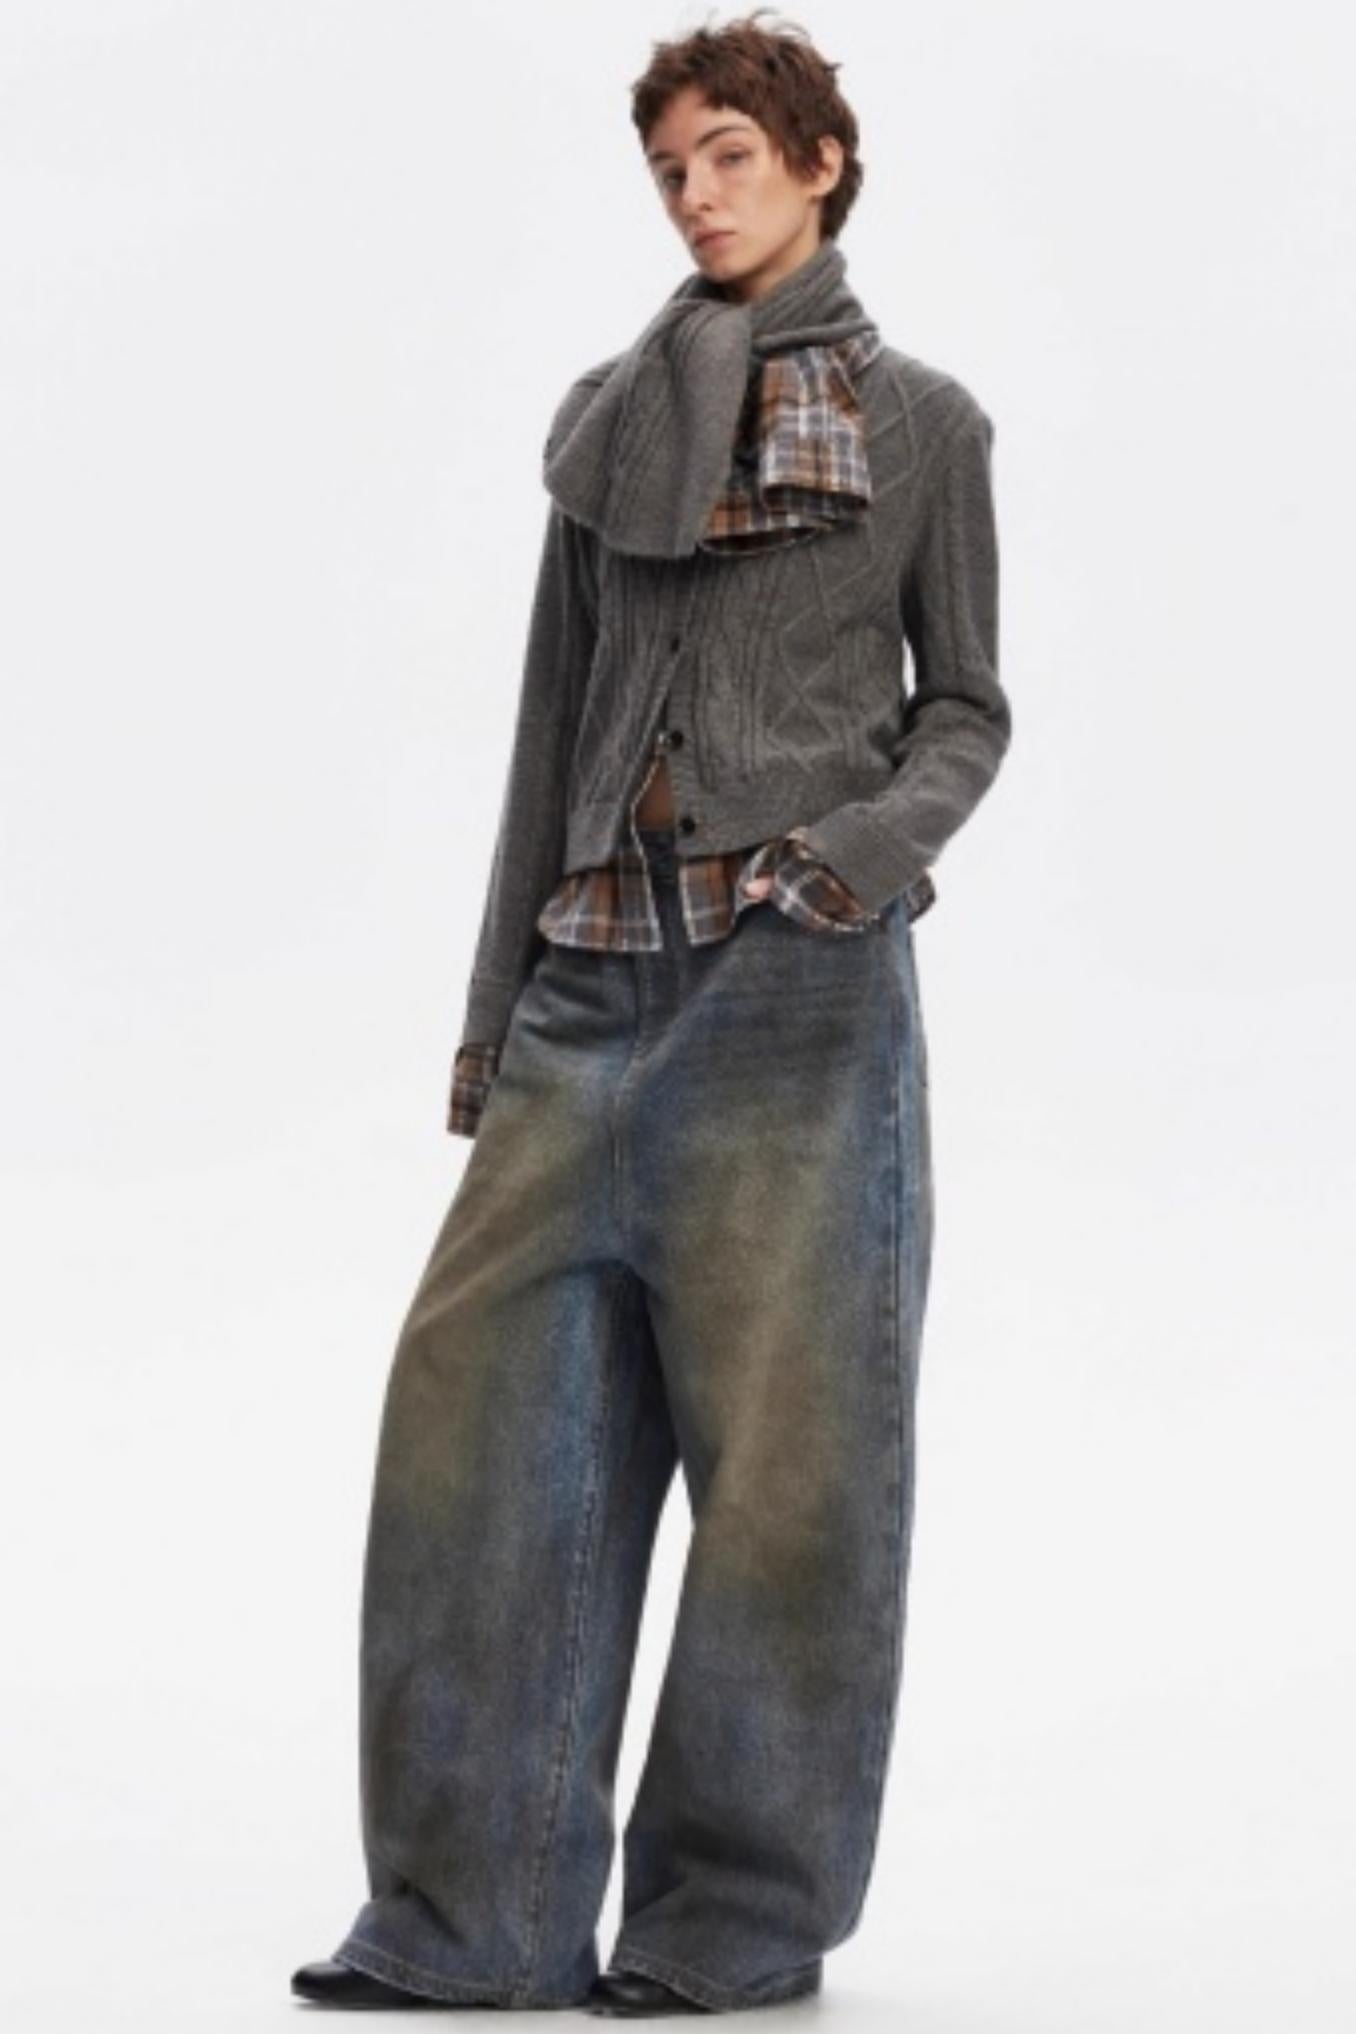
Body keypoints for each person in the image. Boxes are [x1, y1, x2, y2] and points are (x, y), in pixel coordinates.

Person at [292, 8, 1010, 2018]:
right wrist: (491, 1010)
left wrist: (849, 858)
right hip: (588, 984)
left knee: (792, 1476)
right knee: (472, 1438)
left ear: (821, 163)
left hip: (797, 996)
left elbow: (967, 710)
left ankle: (731, 1927)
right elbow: (548, 736)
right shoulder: (609, 425)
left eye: (730, 157)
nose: (696, 194)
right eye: (671, 168)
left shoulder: (926, 426)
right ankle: (472, 1919)